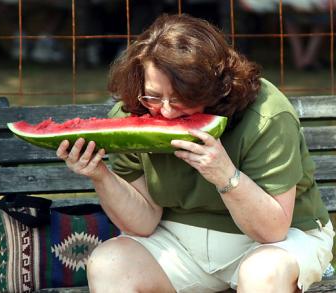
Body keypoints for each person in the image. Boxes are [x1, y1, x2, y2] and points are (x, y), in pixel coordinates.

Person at [56, 14, 334, 292]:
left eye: (179, 99)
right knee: (109, 262)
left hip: (277, 243)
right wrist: (100, 176)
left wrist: (226, 175)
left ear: (215, 88)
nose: (164, 111)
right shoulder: (130, 114)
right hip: (179, 242)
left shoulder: (267, 115)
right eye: (153, 95)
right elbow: (143, 223)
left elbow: (273, 230)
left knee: (263, 272)